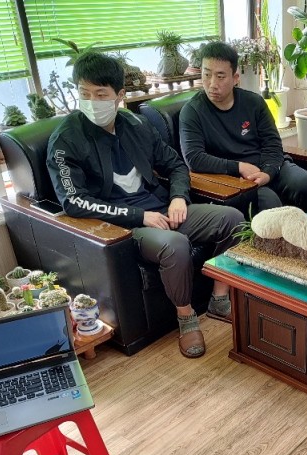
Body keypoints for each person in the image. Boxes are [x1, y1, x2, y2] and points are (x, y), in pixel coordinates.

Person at [46, 52, 244, 359]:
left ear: (119, 96)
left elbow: (175, 165)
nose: (91, 102)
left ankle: (219, 299)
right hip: (123, 226)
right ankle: (186, 318)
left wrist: (178, 197)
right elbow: (74, 201)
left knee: (233, 219)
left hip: (160, 206)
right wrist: (140, 216)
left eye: (101, 94)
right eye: (84, 94)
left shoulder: (136, 123)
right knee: (175, 244)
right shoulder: (66, 139)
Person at [179, 41, 307, 215]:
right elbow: (194, 158)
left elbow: (272, 144)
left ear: (235, 78)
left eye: (220, 76)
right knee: (269, 203)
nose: (212, 84)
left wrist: (268, 172)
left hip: (267, 165)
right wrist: (239, 167)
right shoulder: (192, 111)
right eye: (207, 74)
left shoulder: (253, 102)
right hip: (233, 179)